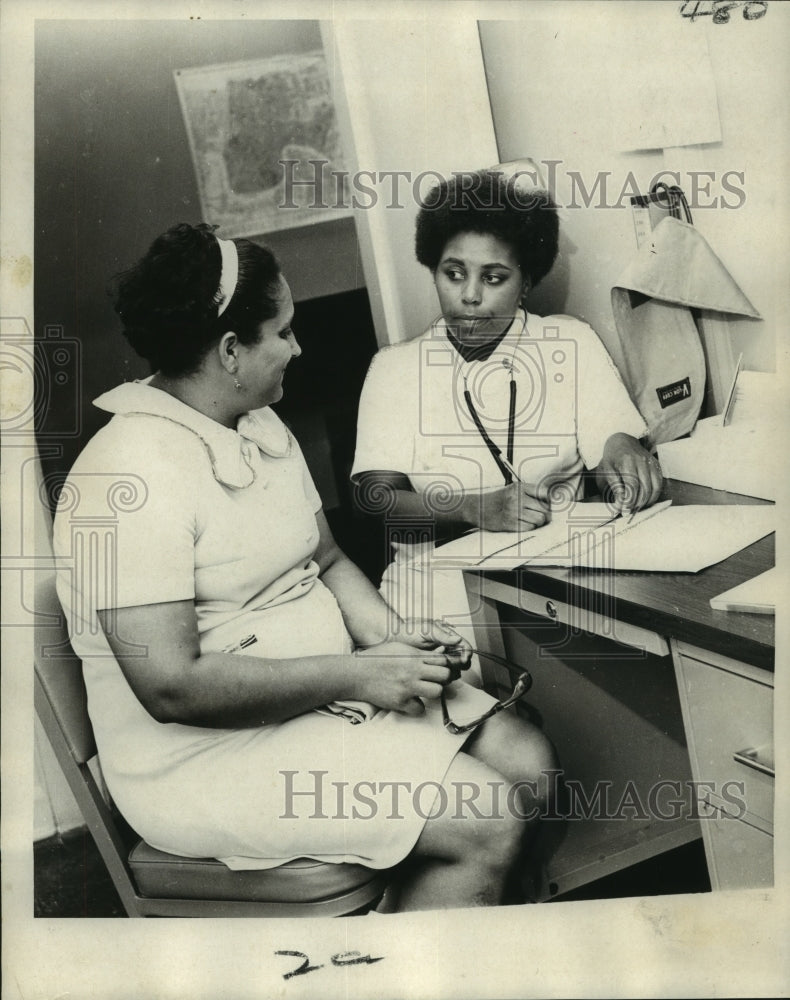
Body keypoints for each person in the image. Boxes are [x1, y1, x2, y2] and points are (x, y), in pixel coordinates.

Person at [53, 222, 557, 912]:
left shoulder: (258, 424)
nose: (299, 347)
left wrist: (397, 641)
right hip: (198, 761)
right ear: (231, 350)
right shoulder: (125, 474)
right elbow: (170, 686)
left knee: (529, 763)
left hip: (314, 703)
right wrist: (358, 673)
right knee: (485, 814)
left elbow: (324, 559)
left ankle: (416, 934)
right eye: (284, 332)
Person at [352, 169, 663, 644]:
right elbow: (376, 503)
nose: (470, 295)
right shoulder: (394, 369)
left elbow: (612, 443)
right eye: (453, 273)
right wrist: (475, 509)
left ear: (525, 284)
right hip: (436, 600)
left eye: (493, 278)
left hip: (558, 584)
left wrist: (624, 454)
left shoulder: (567, 340)